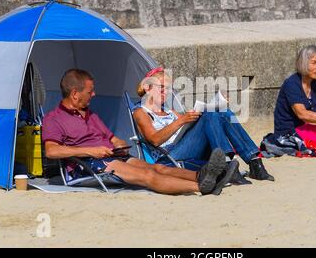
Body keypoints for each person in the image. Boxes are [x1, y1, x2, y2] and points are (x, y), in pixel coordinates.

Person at [42, 69, 238, 196]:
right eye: (89, 91)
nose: (93, 94)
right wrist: (90, 151)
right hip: (88, 164)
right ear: (75, 94)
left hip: (112, 156)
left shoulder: (90, 115)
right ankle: (201, 187)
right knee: (147, 177)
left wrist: (118, 144)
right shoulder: (54, 119)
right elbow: (51, 151)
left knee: (159, 168)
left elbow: (111, 137)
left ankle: (202, 176)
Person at [133, 67, 274, 181]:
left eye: (168, 89)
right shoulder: (141, 112)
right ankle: (227, 164)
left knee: (221, 111)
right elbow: (154, 139)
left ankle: (254, 162)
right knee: (209, 116)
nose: (166, 92)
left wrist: (199, 113)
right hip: (168, 156)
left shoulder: (169, 111)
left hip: (185, 146)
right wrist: (182, 120)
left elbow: (187, 128)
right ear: (147, 88)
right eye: (162, 87)